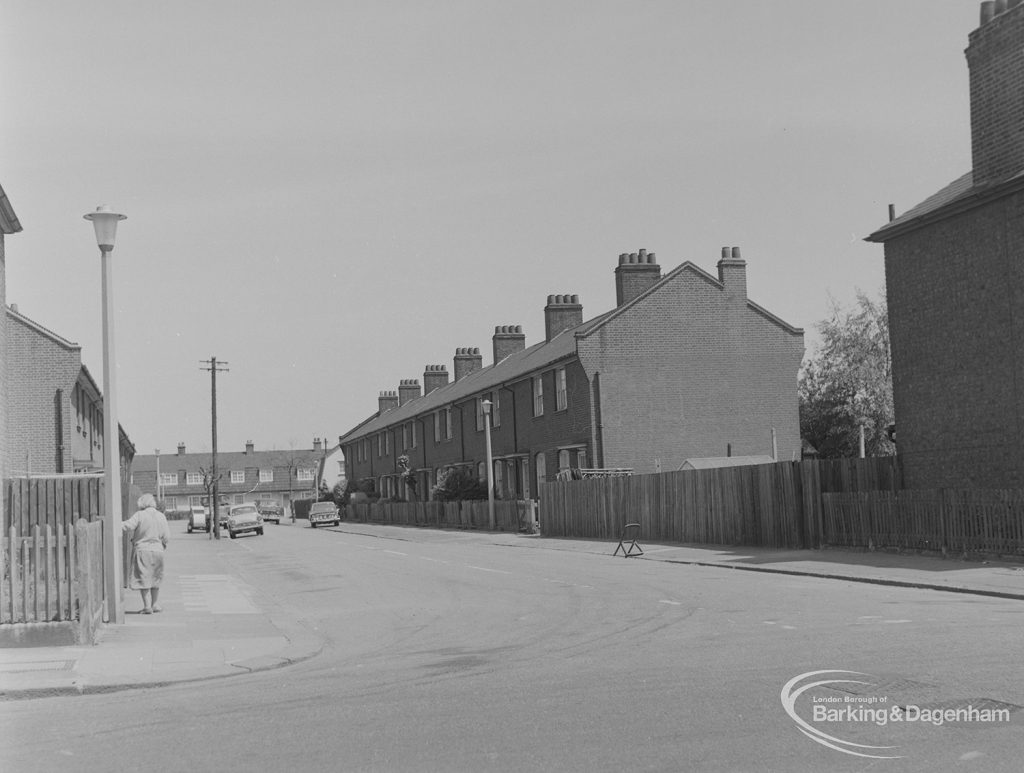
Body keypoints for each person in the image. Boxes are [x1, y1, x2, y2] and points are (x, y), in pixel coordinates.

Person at [122, 493, 171, 614]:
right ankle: (155, 604)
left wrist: (115, 523)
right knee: (156, 578)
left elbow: (128, 526)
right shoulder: (161, 516)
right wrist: (162, 543)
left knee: (144, 578)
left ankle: (147, 606)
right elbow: (167, 536)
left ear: (142, 503)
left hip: (143, 550)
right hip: (158, 550)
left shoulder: (140, 515)